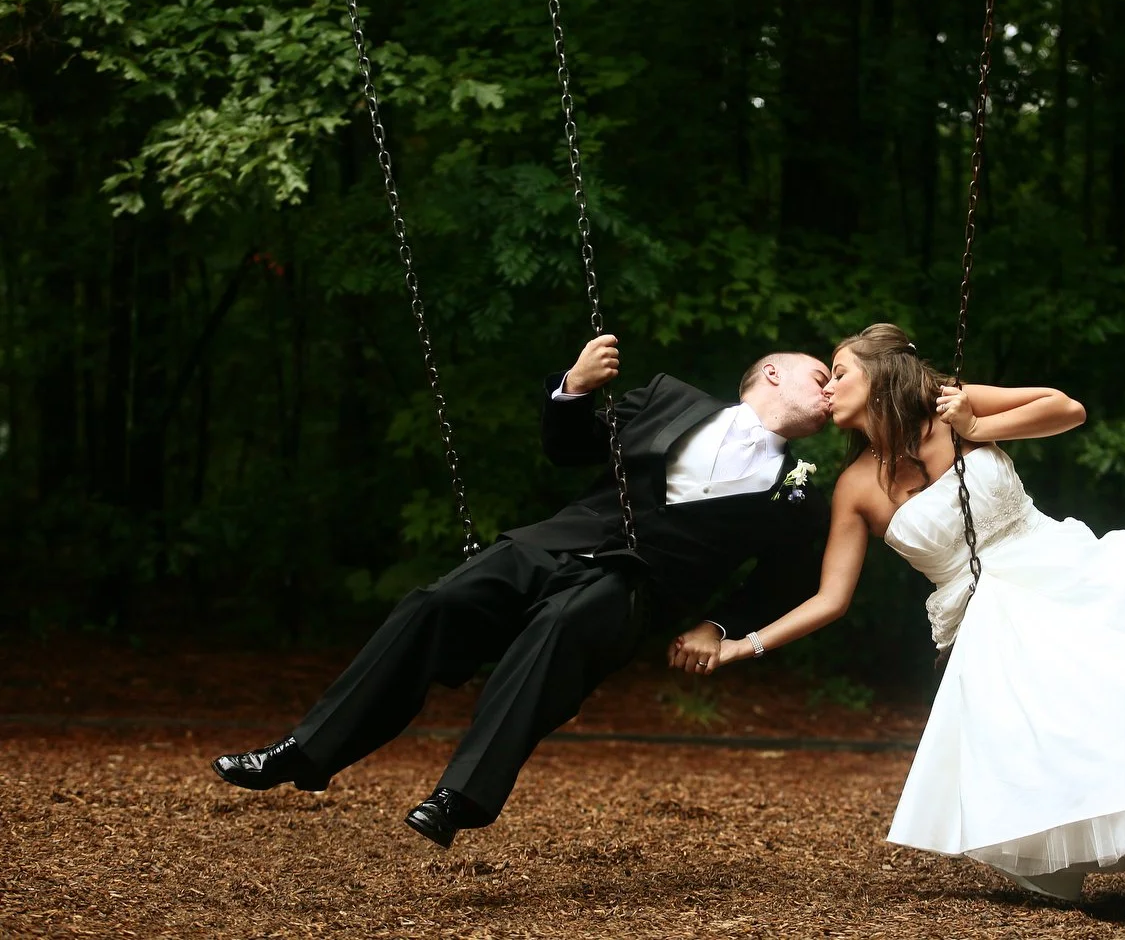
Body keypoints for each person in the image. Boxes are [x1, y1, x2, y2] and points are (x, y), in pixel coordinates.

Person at [692, 323, 1125, 916]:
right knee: (1094, 695)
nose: (829, 386)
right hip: (994, 626)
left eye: (839, 371)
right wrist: (738, 646)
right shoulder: (855, 487)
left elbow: (1068, 409)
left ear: (882, 376)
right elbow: (831, 598)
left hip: (1066, 571)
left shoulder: (950, 406)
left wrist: (978, 423)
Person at [213, 335, 834, 848]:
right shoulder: (670, 398)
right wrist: (575, 386)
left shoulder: (801, 492)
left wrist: (719, 627)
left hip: (637, 585)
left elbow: (778, 583)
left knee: (561, 625)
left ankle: (460, 795)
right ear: (772, 373)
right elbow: (568, 447)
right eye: (820, 375)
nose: (831, 391)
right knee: (435, 604)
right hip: (557, 542)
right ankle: (305, 751)